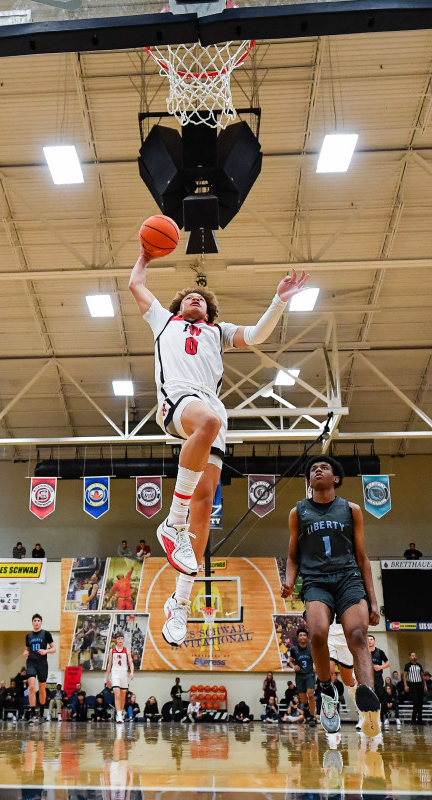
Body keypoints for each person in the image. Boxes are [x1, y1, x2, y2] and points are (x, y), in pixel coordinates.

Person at [129, 249, 308, 647]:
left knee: (205, 503)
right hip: (178, 399)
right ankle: (170, 522)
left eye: (202, 299)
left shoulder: (217, 331)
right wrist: (144, 254)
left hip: (212, 407)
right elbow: (135, 285)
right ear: (178, 306)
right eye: (189, 297)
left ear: (209, 312)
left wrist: (279, 299)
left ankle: (179, 604)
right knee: (205, 424)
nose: (196, 298)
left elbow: (258, 335)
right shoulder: (163, 320)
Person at [280, 455, 382, 737]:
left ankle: (369, 702)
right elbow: (292, 556)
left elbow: (362, 557)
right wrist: (289, 582)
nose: (318, 470)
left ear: (336, 478)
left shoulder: (351, 510)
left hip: (349, 577)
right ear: (309, 481)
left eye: (324, 468)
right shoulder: (298, 512)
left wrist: (373, 601)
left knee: (358, 635)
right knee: (317, 635)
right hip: (316, 580)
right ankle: (327, 693)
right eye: (313, 469)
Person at [22, 613, 55, 721]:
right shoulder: (29, 636)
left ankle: (41, 712)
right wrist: (25, 653)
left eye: (38, 621)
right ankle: (32, 712)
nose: (36, 622)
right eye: (35, 621)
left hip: (42, 664)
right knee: (31, 687)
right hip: (31, 663)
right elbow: (27, 649)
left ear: (41, 622)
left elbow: (54, 649)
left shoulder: (46, 634)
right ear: (32, 623)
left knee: (42, 689)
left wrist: (46, 651)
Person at [105, 630, 134, 723]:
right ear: (116, 640)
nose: (120, 640)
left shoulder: (127, 650)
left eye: (122, 638)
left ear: (123, 640)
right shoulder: (112, 650)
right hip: (115, 673)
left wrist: (132, 672)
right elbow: (109, 664)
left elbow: (131, 662)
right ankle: (118, 715)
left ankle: (120, 713)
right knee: (117, 693)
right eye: (119, 638)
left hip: (123, 673)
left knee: (122, 695)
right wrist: (107, 677)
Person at [286, 629, 316, 717]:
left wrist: (316, 665)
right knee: (303, 700)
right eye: (300, 635)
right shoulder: (294, 649)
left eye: (304, 635)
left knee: (310, 694)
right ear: (298, 638)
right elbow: (290, 662)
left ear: (307, 637)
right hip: (299, 676)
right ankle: (306, 707)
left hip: (309, 674)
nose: (302, 636)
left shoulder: (311, 649)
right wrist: (293, 666)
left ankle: (312, 716)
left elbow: (316, 660)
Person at [402, 652, 424, 724]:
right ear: (410, 657)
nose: (413, 657)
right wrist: (405, 685)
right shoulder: (407, 665)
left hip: (420, 684)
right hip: (412, 684)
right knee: (416, 701)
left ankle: (420, 719)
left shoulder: (419, 665)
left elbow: (422, 676)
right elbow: (405, 676)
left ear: (416, 657)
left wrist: (425, 685)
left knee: (420, 702)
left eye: (414, 655)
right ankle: (413, 719)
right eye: (412, 655)